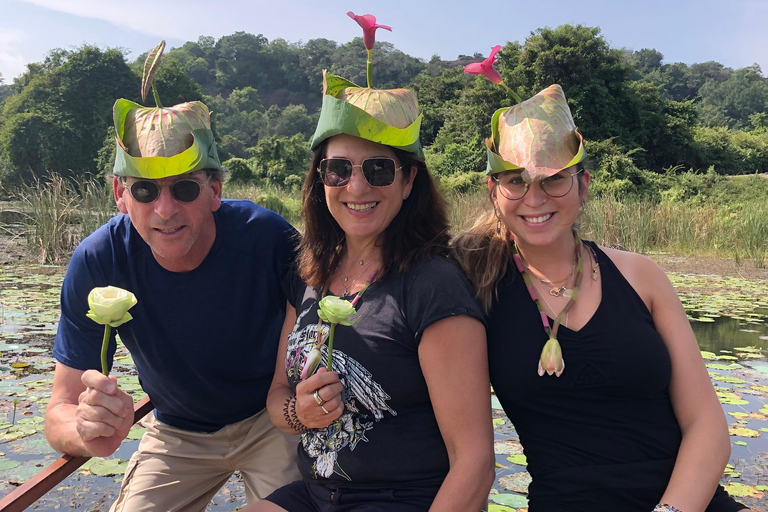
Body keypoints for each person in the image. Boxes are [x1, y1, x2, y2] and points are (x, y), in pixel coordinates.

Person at [452, 81, 748, 512]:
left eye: (554, 180)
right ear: (494, 192)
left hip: (686, 504)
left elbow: (706, 424)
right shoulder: (474, 285)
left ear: (584, 184)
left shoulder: (641, 276)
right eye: (515, 181)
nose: (534, 198)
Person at [244, 15, 495, 512]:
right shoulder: (308, 272)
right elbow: (277, 399)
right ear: (320, 181)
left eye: (379, 168)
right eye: (338, 169)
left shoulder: (431, 284)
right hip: (317, 494)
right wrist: (302, 413)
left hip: (405, 498)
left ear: (408, 182)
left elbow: (476, 463)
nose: (357, 187)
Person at [44, 75, 300, 511]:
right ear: (120, 194)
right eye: (144, 189)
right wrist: (86, 428)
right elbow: (59, 410)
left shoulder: (268, 238)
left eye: (185, 188)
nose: (165, 210)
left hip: (272, 421)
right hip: (179, 430)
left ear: (214, 191)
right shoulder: (98, 259)